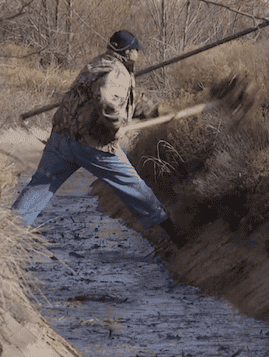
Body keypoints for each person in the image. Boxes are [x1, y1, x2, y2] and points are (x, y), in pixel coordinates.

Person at [12, 30, 186, 247]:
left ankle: (8, 233)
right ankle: (174, 233)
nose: (138, 55)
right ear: (128, 51)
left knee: (39, 186)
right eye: (136, 50)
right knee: (133, 186)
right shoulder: (117, 72)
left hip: (62, 138)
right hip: (93, 144)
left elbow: (124, 101)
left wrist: (159, 111)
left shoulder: (98, 64)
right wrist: (116, 128)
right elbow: (107, 102)